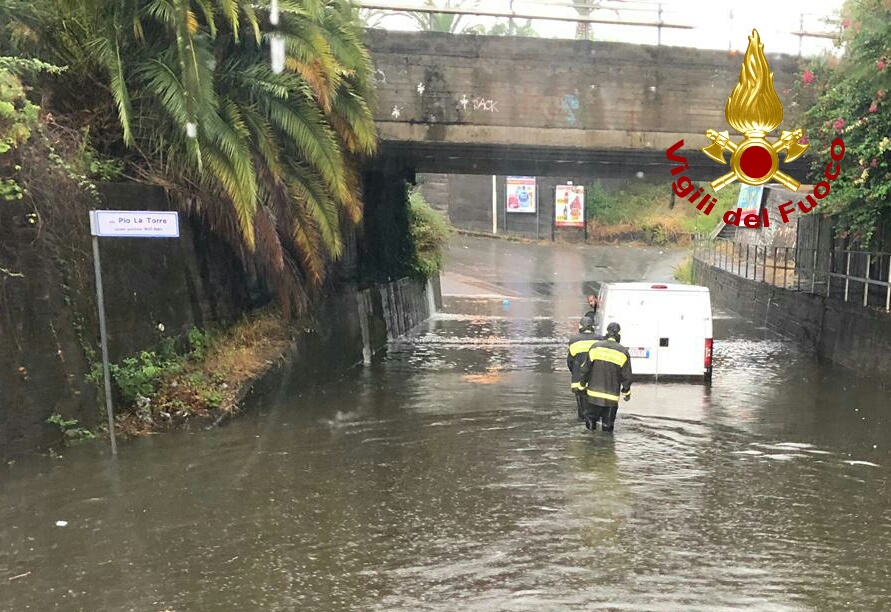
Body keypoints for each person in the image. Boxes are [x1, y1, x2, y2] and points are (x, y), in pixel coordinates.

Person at [579, 322, 632, 433]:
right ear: (619, 334)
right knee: (607, 428)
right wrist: (626, 393)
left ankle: (589, 442)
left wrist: (582, 385)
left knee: (590, 424)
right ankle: (607, 444)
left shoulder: (595, 347)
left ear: (607, 332)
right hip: (611, 399)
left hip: (593, 396)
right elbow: (627, 376)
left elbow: (585, 369)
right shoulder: (623, 352)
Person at [566, 316, 602, 420]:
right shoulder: (600, 339)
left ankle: (582, 420)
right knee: (595, 411)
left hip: (578, 380)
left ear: (580, 327)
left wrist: (575, 373)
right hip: (596, 381)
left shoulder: (574, 341)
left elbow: (570, 362)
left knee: (582, 411)